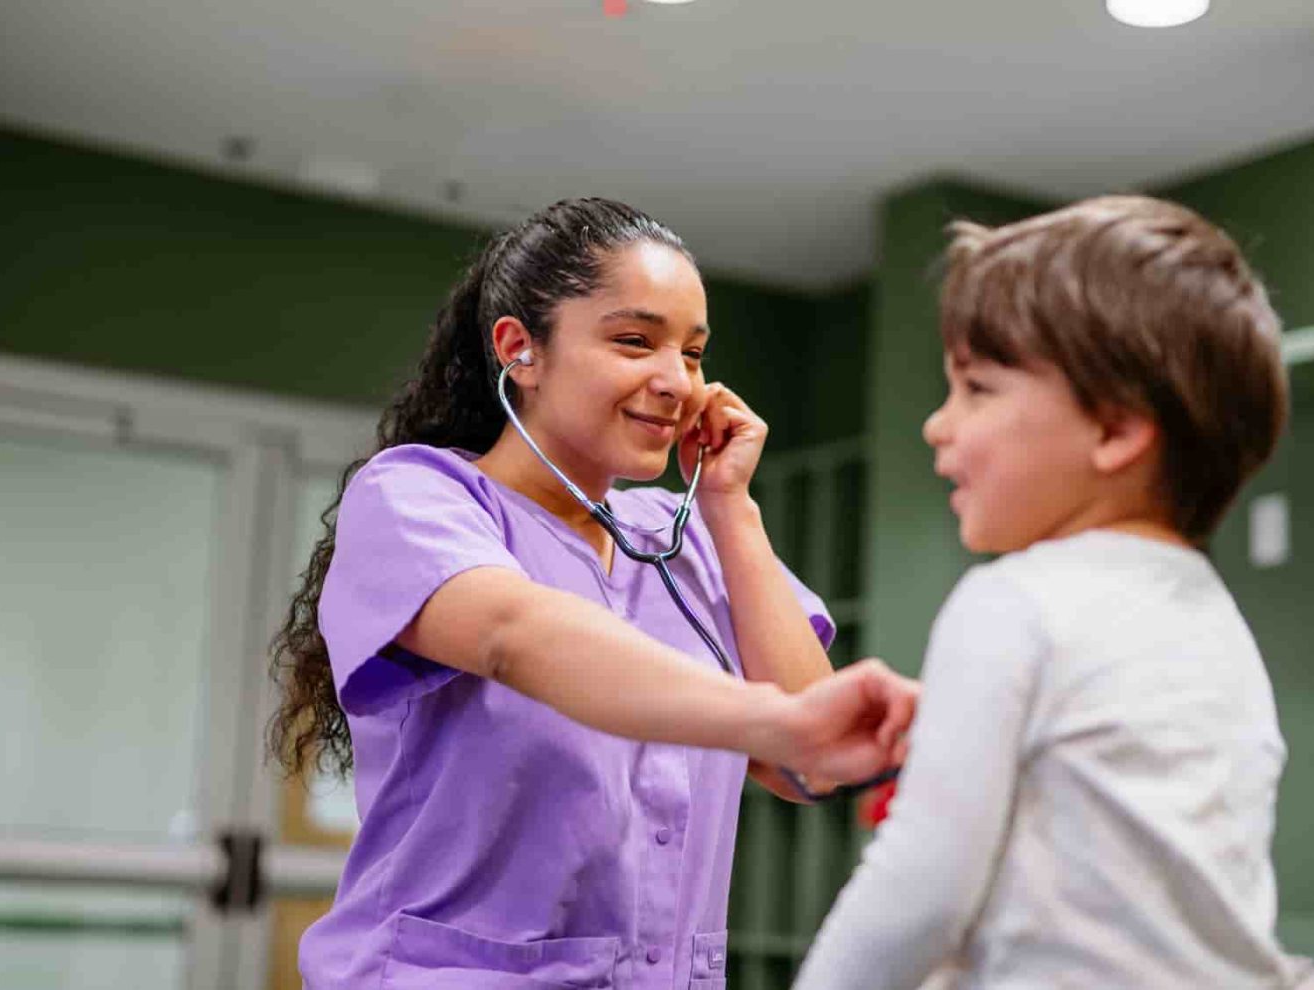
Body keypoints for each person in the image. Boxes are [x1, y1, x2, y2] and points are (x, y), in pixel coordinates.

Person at [268, 197, 916, 989]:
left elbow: (808, 769)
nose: (676, 380)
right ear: (521, 350)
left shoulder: (694, 541)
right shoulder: (419, 498)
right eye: (635, 341)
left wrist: (730, 508)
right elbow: (517, 634)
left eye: (693, 353)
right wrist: (779, 721)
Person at [794, 196, 1307, 989]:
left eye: (977, 390)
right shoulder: (1217, 625)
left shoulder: (1013, 600)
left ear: (1114, 430)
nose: (937, 425)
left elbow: (920, 895)